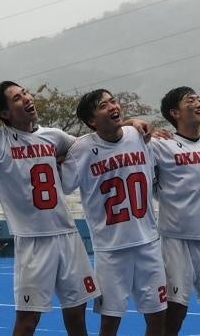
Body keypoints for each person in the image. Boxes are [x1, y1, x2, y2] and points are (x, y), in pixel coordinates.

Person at [0, 81, 100, 336]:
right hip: (32, 241)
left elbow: (92, 144)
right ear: (5, 113)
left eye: (25, 93)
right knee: (27, 320)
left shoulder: (54, 136)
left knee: (77, 314)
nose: (26, 98)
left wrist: (131, 125)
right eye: (17, 98)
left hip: (67, 235)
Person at [61, 89, 167, 336]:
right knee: (110, 322)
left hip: (148, 242)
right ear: (92, 121)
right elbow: (64, 185)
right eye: (103, 106)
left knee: (158, 316)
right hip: (111, 249)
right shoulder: (82, 149)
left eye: (113, 101)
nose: (112, 107)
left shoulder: (138, 134)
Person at [150, 87, 200, 336]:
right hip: (175, 241)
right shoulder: (160, 144)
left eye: (198, 99)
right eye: (190, 101)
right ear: (175, 113)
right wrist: (137, 127)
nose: (198, 103)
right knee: (173, 317)